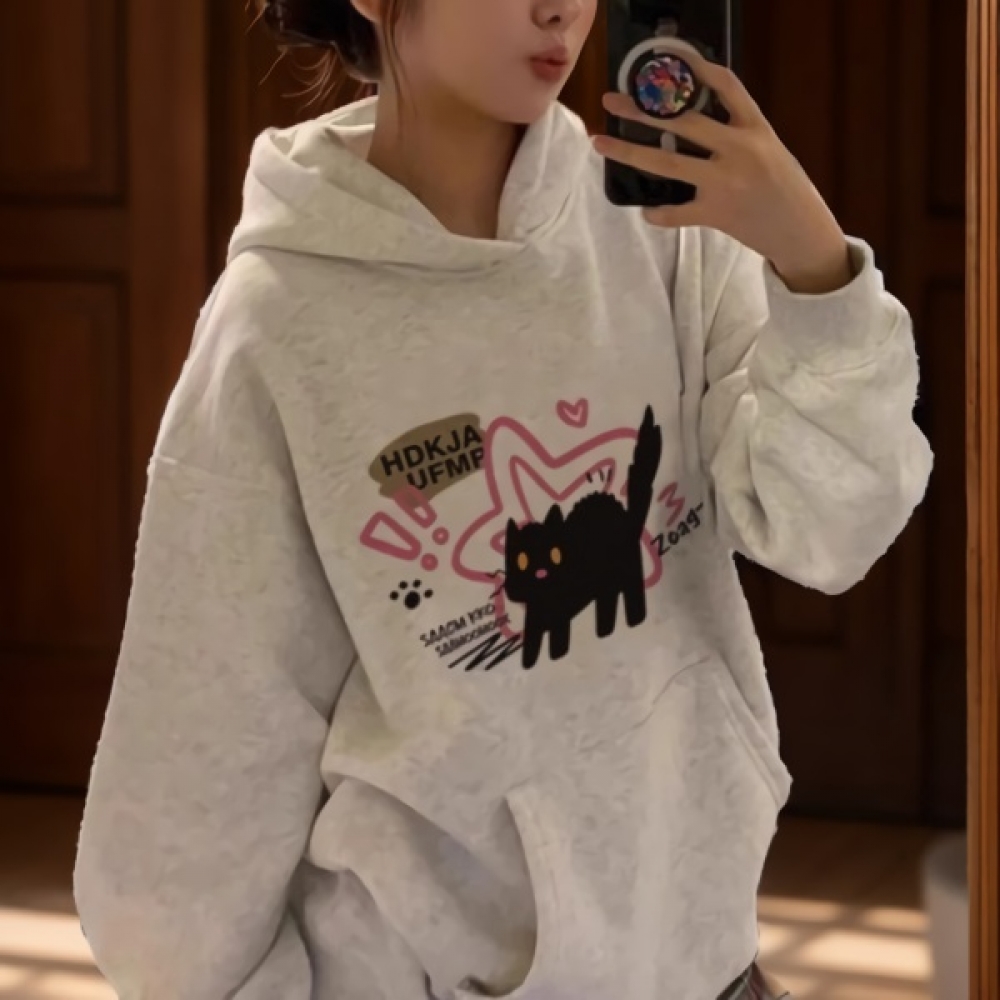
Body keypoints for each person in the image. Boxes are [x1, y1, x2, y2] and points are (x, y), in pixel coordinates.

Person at [73, 0, 933, 998]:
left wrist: (814, 265)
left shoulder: (662, 230)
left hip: (708, 966)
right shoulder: (275, 328)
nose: (558, 7)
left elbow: (828, 529)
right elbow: (198, 777)